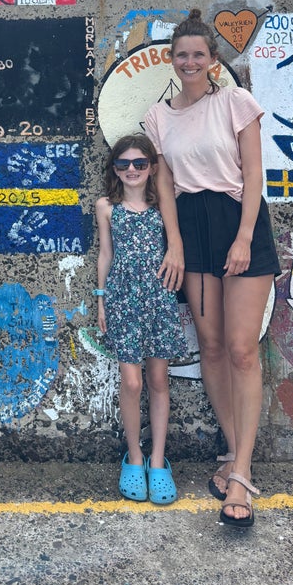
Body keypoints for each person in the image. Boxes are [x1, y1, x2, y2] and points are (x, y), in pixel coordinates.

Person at [144, 9, 280, 528]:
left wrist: (244, 236)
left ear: (213, 59)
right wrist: (174, 246)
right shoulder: (160, 117)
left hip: (236, 221)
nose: (190, 61)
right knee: (213, 347)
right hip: (192, 230)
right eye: (182, 54)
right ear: (172, 60)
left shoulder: (235, 102)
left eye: (199, 54)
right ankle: (232, 449)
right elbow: (165, 188)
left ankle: (242, 473)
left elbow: (252, 175)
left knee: (243, 349)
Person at [96, 134, 187, 505]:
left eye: (140, 163)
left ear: (151, 167)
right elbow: (105, 254)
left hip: (158, 297)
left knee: (159, 379)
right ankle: (133, 454)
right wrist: (101, 300)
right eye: (123, 164)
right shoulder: (106, 206)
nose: (132, 170)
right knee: (131, 382)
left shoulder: (163, 204)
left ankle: (157, 459)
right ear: (114, 169)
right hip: (122, 300)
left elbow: (174, 246)